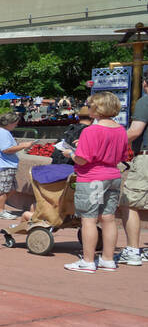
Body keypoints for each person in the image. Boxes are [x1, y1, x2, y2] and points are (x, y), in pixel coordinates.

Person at [66, 92, 130, 272]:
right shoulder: (120, 129)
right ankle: (108, 259)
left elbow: (82, 159)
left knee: (89, 219)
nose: (88, 107)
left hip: (92, 178)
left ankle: (88, 261)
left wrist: (70, 153)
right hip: (113, 176)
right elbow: (122, 155)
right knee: (108, 218)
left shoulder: (91, 130)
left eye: (91, 104)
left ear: (98, 108)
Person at [115, 91, 148, 266]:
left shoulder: (145, 101)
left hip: (146, 158)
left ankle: (133, 251)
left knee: (129, 203)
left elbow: (135, 131)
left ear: (145, 83)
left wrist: (110, 140)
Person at [0, 113, 33, 218]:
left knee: (12, 188)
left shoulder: (1, 131)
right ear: (9, 123)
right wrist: (23, 146)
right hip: (4, 165)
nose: (16, 125)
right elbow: (6, 149)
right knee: (4, 189)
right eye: (15, 123)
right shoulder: (3, 133)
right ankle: (0, 211)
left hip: (6, 165)